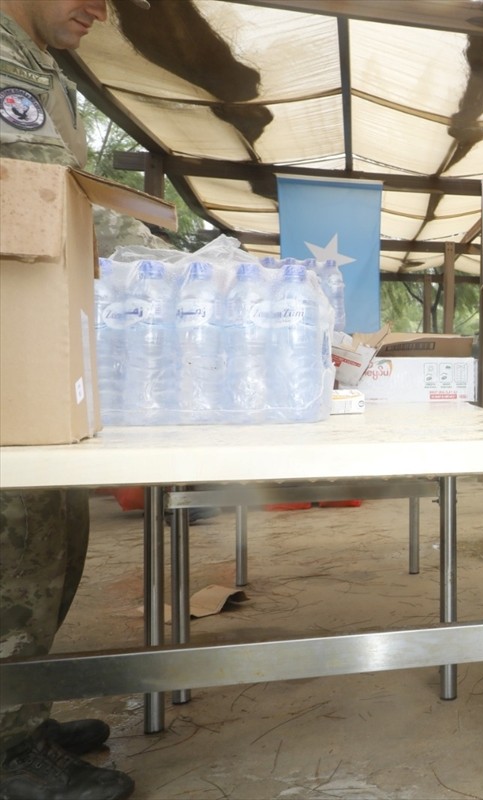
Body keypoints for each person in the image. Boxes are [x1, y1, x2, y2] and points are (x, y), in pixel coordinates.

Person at [0, 2, 147, 798]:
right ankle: (7, 752)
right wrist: (153, 253)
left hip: (36, 353)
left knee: (58, 535)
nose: (101, 6)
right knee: (15, 549)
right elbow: (37, 199)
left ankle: (19, 710)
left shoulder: (41, 66)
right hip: (9, 354)